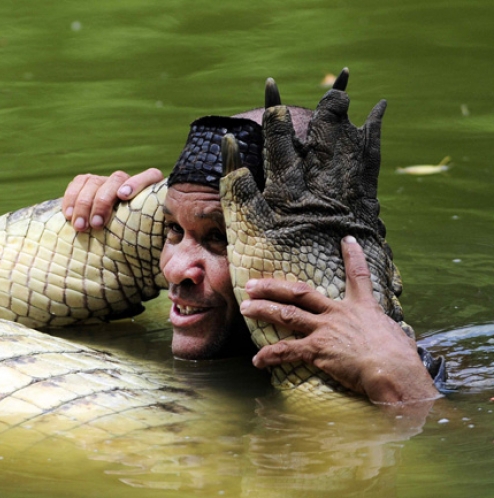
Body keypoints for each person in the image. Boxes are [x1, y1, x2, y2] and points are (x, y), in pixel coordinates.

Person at [60, 86, 444, 406]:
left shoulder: (420, 371)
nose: (175, 270)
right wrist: (93, 221)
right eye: (173, 229)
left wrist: (401, 382)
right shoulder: (151, 323)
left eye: (219, 238)